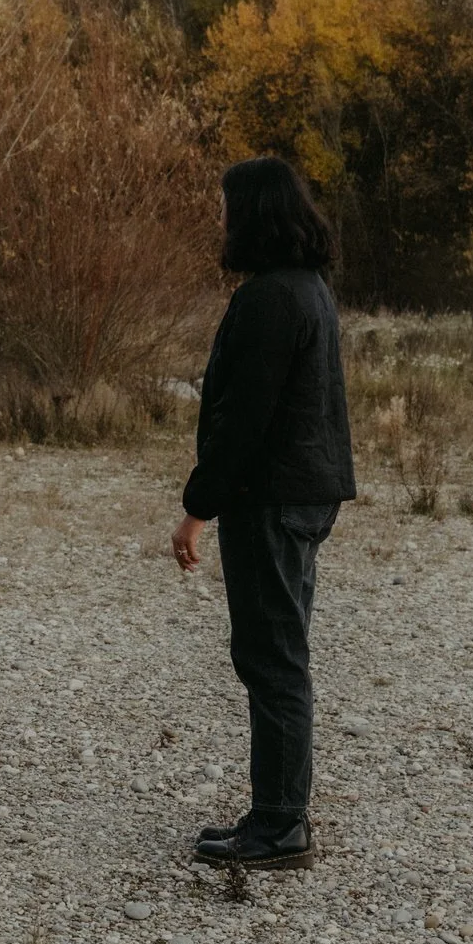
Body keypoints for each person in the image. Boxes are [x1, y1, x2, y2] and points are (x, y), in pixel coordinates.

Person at [168, 156, 355, 870]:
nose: (219, 221)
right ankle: (277, 811)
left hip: (274, 499)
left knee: (272, 656)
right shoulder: (307, 289)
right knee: (279, 652)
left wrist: (197, 507)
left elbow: (244, 420)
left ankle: (281, 825)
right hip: (301, 494)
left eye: (225, 208)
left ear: (254, 213)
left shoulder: (273, 298)